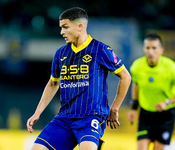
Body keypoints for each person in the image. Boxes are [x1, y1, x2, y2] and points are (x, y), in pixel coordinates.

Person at [27, 7, 131, 150]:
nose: (61, 32)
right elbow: (53, 84)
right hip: (64, 117)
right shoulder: (60, 54)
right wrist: (37, 113)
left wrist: (114, 108)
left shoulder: (100, 50)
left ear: (80, 26)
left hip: (90, 117)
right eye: (61, 28)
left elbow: (125, 76)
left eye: (65, 27)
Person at [127, 33, 175, 150]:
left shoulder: (171, 68)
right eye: (147, 48)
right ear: (144, 49)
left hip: (165, 116)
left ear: (161, 50)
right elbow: (136, 85)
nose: (150, 51)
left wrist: (167, 102)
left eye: (154, 48)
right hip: (145, 115)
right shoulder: (137, 67)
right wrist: (134, 108)